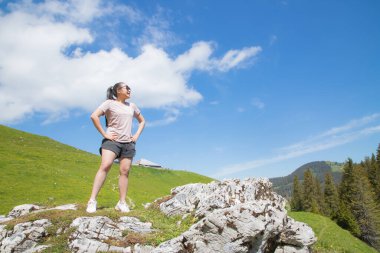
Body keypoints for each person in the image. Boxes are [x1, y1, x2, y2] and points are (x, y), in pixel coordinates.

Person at [86, 82, 145, 213]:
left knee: (124, 171)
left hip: (128, 143)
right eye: (126, 88)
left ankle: (122, 203)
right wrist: (104, 133)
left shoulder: (132, 106)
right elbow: (94, 116)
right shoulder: (109, 103)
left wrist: (135, 136)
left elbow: (142, 121)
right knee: (106, 165)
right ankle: (92, 201)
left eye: (130, 88)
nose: (129, 90)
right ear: (118, 90)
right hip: (112, 141)